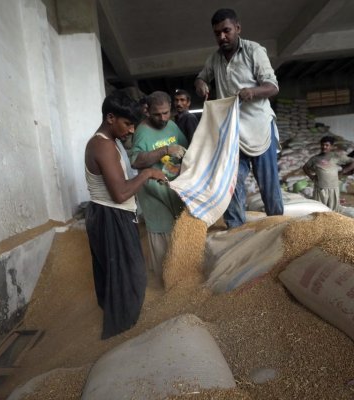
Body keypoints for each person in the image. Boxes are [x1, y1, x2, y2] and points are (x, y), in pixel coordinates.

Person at [84, 90, 167, 339]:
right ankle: (120, 336)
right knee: (128, 279)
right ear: (111, 117)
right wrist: (147, 174)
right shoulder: (102, 146)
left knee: (122, 276)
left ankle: (123, 326)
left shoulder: (111, 141)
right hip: (111, 216)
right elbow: (119, 194)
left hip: (113, 214)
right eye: (127, 124)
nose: (131, 130)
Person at [195, 8, 284, 229]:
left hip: (258, 127)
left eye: (226, 31)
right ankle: (236, 229)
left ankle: (279, 226)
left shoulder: (254, 51)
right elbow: (200, 78)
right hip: (232, 132)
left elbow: (273, 87)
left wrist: (252, 92)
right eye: (217, 33)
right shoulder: (214, 59)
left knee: (268, 183)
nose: (222, 37)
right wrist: (201, 84)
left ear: (237, 28)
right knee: (230, 183)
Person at [130, 91, 188, 282]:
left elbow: (185, 148)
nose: (162, 118)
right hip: (154, 192)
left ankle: (182, 276)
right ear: (148, 111)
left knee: (180, 230)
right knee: (163, 233)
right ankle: (166, 281)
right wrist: (165, 149)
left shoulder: (171, 125)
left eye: (165, 113)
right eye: (157, 114)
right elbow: (136, 161)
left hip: (173, 188)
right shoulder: (141, 132)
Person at [303, 136, 354, 211]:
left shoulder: (336, 156)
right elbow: (305, 167)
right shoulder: (315, 159)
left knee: (333, 209)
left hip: (333, 188)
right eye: (322, 145)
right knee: (320, 210)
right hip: (320, 188)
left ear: (331, 146)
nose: (324, 147)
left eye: (327, 145)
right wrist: (311, 176)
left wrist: (343, 171)